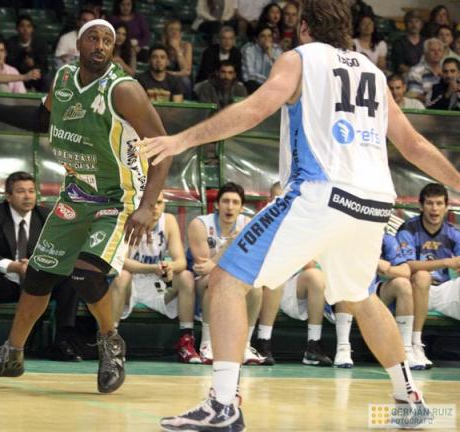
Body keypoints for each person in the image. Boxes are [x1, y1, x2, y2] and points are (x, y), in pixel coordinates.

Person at [140, 1, 460, 429]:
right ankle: (409, 399)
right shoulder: (373, 72)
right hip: (375, 204)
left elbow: (254, 109)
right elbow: (414, 145)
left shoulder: (301, 58)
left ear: (305, 27)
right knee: (360, 296)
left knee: (226, 279)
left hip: (321, 192)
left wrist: (181, 140)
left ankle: (223, 404)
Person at [0, 19, 173, 395]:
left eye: (107, 40)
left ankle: (110, 342)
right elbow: (41, 120)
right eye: (93, 38)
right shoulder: (63, 79)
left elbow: (163, 148)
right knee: (39, 276)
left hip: (118, 197)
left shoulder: (124, 90)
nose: (100, 45)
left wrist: (146, 206)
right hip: (76, 194)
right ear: (78, 44)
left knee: (85, 275)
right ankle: (12, 354)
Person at [0, 172, 82, 360]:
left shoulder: (46, 216)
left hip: (38, 281)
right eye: (21, 191)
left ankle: (62, 342)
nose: (27, 196)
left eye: (31, 191)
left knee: (70, 274)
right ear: (8, 196)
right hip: (4, 283)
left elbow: (62, 250)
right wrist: (14, 266)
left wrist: (37, 264)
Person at [110, 191, 199, 363]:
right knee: (122, 276)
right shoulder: (129, 220)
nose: (156, 208)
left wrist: (169, 267)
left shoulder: (169, 221)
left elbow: (181, 261)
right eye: (152, 204)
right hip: (132, 284)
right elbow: (121, 261)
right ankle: (111, 340)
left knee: (186, 277)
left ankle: (186, 340)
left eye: (160, 203)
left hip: (157, 284)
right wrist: (152, 268)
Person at [254, 182, 332, 367]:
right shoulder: (260, 223)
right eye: (279, 199)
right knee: (275, 278)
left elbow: (310, 263)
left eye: (289, 199)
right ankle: (263, 342)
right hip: (262, 285)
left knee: (316, 277)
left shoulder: (303, 226)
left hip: (291, 288)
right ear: (270, 201)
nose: (284, 203)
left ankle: (313, 346)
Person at [186, 182, 264, 366]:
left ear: (242, 208)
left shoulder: (248, 225)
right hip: (201, 283)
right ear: (217, 205)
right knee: (214, 281)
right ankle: (207, 344)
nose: (230, 207)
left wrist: (220, 264)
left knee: (256, 288)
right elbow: (204, 268)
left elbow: (251, 264)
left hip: (235, 279)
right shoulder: (200, 224)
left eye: (235, 202)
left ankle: (245, 345)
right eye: (226, 201)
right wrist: (229, 246)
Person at [333, 231, 424, 369]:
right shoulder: (343, 234)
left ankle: (406, 350)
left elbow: (405, 272)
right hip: (340, 294)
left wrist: (384, 268)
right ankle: (343, 349)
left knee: (403, 285)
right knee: (348, 282)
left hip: (372, 291)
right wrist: (369, 260)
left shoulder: (386, 238)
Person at [397, 183, 460, 369]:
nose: (434, 208)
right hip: (411, 292)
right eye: (430, 203)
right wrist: (446, 262)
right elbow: (407, 266)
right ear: (421, 206)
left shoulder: (453, 233)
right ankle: (416, 344)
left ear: (446, 207)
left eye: (439, 203)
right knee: (422, 277)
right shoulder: (408, 229)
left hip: (440, 292)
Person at [6, 14, 48, 93]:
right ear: (17, 29)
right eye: (22, 26)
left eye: (28, 26)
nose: (25, 29)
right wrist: (23, 63)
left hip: (36, 76)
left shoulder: (40, 43)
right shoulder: (10, 43)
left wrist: (33, 65)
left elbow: (44, 66)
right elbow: (8, 64)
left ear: (32, 29)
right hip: (17, 75)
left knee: (45, 78)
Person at [241, 24, 283, 94]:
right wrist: (268, 82)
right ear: (256, 39)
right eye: (263, 36)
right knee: (251, 83)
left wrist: (270, 56)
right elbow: (249, 75)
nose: (267, 39)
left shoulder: (277, 50)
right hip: (255, 86)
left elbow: (280, 72)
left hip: (273, 86)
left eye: (269, 36)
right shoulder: (248, 49)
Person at [161, 18, 193, 99]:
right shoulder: (161, 47)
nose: (174, 32)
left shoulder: (186, 46)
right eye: (171, 29)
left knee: (185, 81)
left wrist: (177, 49)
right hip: (163, 77)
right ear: (166, 32)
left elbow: (187, 71)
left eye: (177, 29)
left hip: (179, 78)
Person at [406, 38, 444, 102]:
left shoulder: (447, 70)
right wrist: (432, 101)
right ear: (425, 53)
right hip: (424, 106)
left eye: (439, 50)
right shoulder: (416, 71)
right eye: (432, 50)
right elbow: (414, 95)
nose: (436, 53)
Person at [392, 10, 424, 75]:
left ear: (421, 24)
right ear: (406, 24)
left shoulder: (427, 42)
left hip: (425, 75)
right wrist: (416, 72)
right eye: (410, 22)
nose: (414, 25)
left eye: (417, 21)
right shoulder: (399, 43)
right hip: (406, 76)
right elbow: (400, 66)